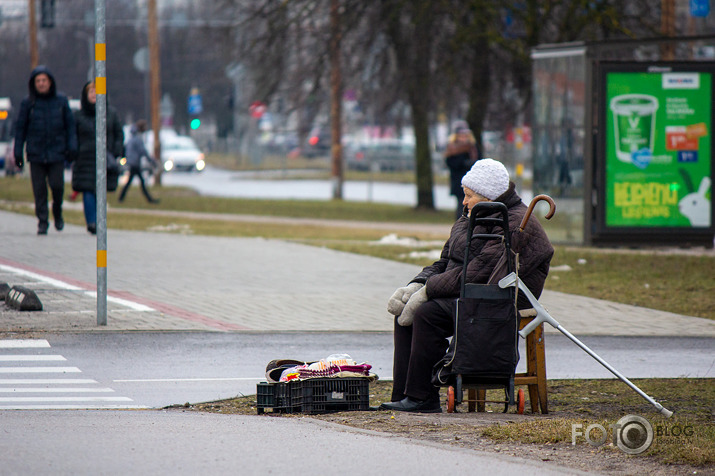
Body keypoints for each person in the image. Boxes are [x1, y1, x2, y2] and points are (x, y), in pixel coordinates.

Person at [380, 159, 554, 413]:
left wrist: (428, 291)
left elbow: (479, 272)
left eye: (469, 195)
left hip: (500, 298)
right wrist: (415, 285)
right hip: (468, 292)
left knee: (426, 314)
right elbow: (445, 262)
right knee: (404, 313)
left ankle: (422, 399)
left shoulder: (516, 222)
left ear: (488, 196)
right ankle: (404, 395)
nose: (464, 201)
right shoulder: (471, 216)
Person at [13, 65, 77, 234]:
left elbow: (70, 127)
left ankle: (57, 211)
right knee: (39, 190)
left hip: (56, 152)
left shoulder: (61, 101)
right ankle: (42, 220)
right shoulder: (28, 103)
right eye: (38, 81)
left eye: (44, 80)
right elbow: (20, 129)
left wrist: (72, 147)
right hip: (36, 153)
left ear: (50, 82)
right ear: (33, 84)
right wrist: (17, 151)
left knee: (57, 186)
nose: (41, 84)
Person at [71, 81, 125, 235]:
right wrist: (74, 151)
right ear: (85, 95)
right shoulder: (78, 116)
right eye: (91, 92)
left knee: (100, 190)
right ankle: (92, 222)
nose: (94, 95)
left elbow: (118, 134)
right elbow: (73, 136)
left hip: (105, 158)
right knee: (88, 190)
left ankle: (100, 221)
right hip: (85, 158)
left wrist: (116, 151)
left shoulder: (111, 113)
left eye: (97, 92)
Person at [444, 122, 480, 220]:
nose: (463, 137)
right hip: (458, 181)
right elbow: (451, 163)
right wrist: (463, 162)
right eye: (461, 135)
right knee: (461, 204)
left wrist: (471, 163)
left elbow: (479, 161)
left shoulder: (473, 147)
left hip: (472, 182)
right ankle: (461, 224)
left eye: (465, 135)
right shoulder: (452, 148)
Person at [118, 120, 159, 204]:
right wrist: (152, 161)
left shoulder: (133, 137)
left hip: (132, 162)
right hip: (134, 163)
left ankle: (121, 198)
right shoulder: (137, 138)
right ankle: (149, 199)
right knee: (140, 182)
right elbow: (143, 151)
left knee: (132, 182)